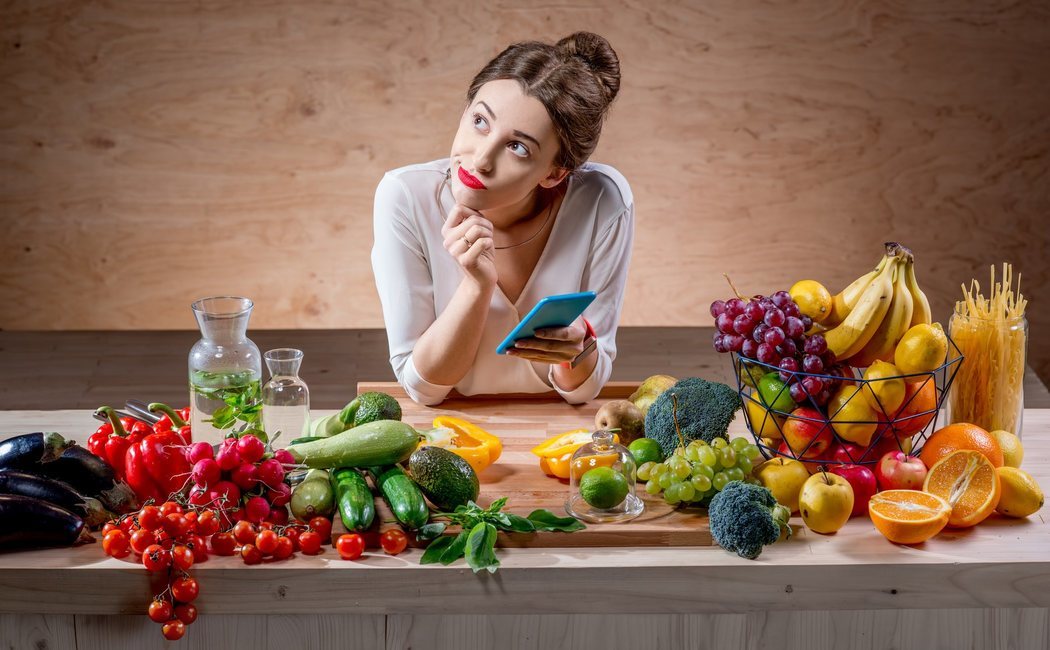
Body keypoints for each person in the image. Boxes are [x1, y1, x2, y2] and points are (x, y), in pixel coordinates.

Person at [371, 32, 633, 406]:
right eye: (480, 121)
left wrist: (579, 346)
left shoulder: (604, 200)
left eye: (517, 147)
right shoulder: (405, 196)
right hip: (449, 431)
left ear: (555, 173)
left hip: (556, 431)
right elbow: (423, 387)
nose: (480, 159)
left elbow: (584, 390)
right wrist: (477, 286)